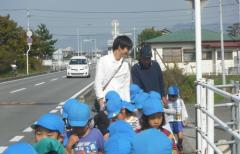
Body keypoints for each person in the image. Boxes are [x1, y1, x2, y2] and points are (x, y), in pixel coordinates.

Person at [94, 35, 133, 111]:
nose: (128, 51)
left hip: (121, 103)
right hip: (107, 103)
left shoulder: (125, 64)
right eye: (127, 48)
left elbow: (126, 86)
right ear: (119, 47)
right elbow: (98, 82)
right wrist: (101, 101)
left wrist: (127, 104)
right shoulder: (104, 61)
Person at [167, 86, 188, 154]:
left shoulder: (180, 101)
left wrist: (185, 118)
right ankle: (173, 149)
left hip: (178, 119)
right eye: (171, 96)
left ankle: (179, 145)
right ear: (168, 95)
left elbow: (183, 110)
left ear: (177, 95)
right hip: (169, 121)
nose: (173, 98)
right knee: (171, 137)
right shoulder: (166, 101)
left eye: (174, 96)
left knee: (180, 135)